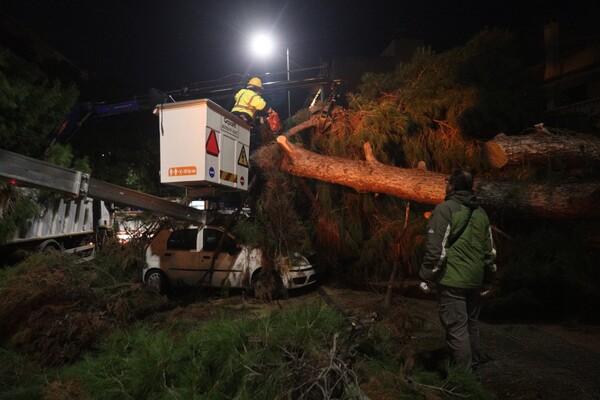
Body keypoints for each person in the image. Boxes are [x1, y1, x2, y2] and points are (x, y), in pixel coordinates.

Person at [418, 168, 497, 372]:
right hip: (474, 281)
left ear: (452, 186)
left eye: (448, 182)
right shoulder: (481, 214)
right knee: (471, 326)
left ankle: (465, 381)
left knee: (457, 329)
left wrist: (426, 277)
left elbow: (436, 251)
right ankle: (475, 374)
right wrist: (488, 279)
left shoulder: (445, 210)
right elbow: (489, 251)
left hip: (452, 282)